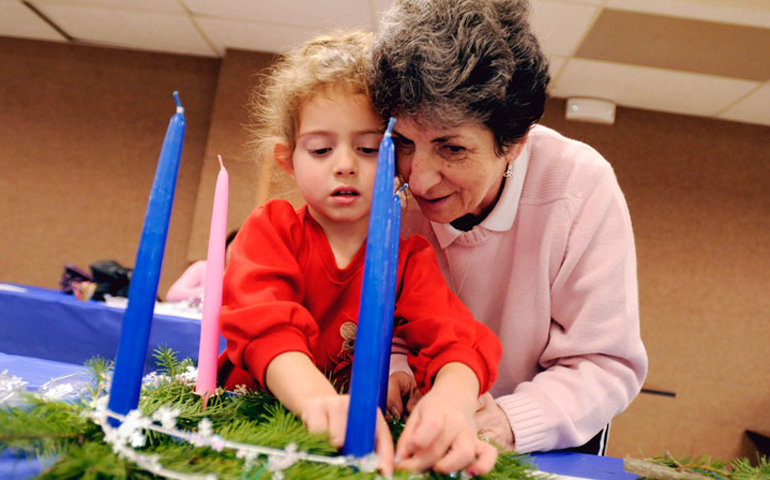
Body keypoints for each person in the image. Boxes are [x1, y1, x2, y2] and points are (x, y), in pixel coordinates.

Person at [216, 31, 502, 476]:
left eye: (368, 148)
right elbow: (265, 327)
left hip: (349, 445)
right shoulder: (272, 230)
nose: (345, 164)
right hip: (249, 428)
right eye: (321, 149)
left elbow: (456, 340)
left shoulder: (407, 258)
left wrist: (453, 400)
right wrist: (319, 400)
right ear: (287, 159)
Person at [373, 0, 648, 458]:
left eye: (452, 148)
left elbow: (605, 363)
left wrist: (505, 422)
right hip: (412, 432)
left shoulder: (579, 186)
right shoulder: (388, 178)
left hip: (530, 446)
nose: (417, 179)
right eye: (404, 142)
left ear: (514, 143)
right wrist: (396, 370)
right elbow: (382, 319)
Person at [166, 230, 239, 302]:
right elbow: (172, 294)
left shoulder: (245, 277)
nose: (237, 253)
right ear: (226, 248)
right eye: (233, 247)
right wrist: (209, 291)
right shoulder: (203, 267)